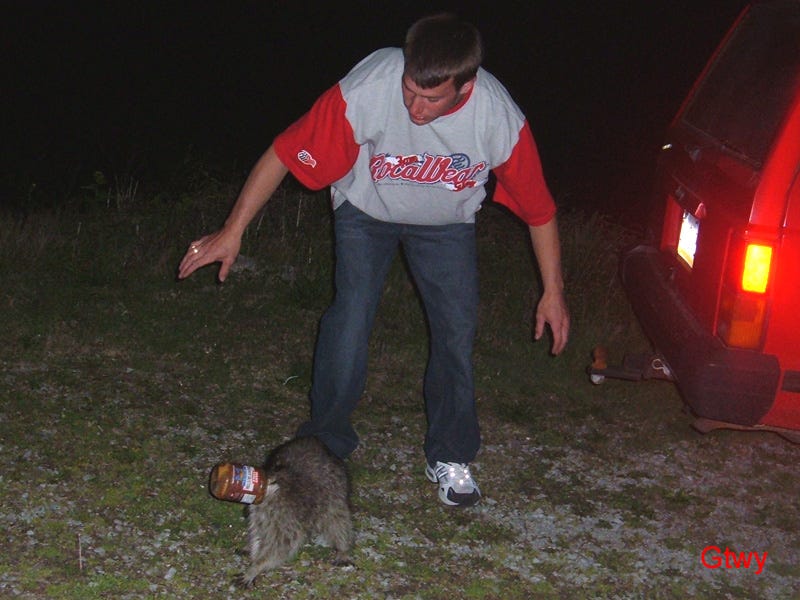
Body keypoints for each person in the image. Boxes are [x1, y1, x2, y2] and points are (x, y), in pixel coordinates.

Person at [178, 13, 569, 507]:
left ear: (466, 87)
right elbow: (284, 151)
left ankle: (450, 453)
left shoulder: (497, 115)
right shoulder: (370, 84)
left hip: (445, 223)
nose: (414, 108)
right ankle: (324, 443)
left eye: (431, 99)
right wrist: (233, 230)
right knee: (351, 315)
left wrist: (553, 291)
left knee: (456, 328)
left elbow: (540, 210)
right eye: (410, 90)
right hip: (366, 209)